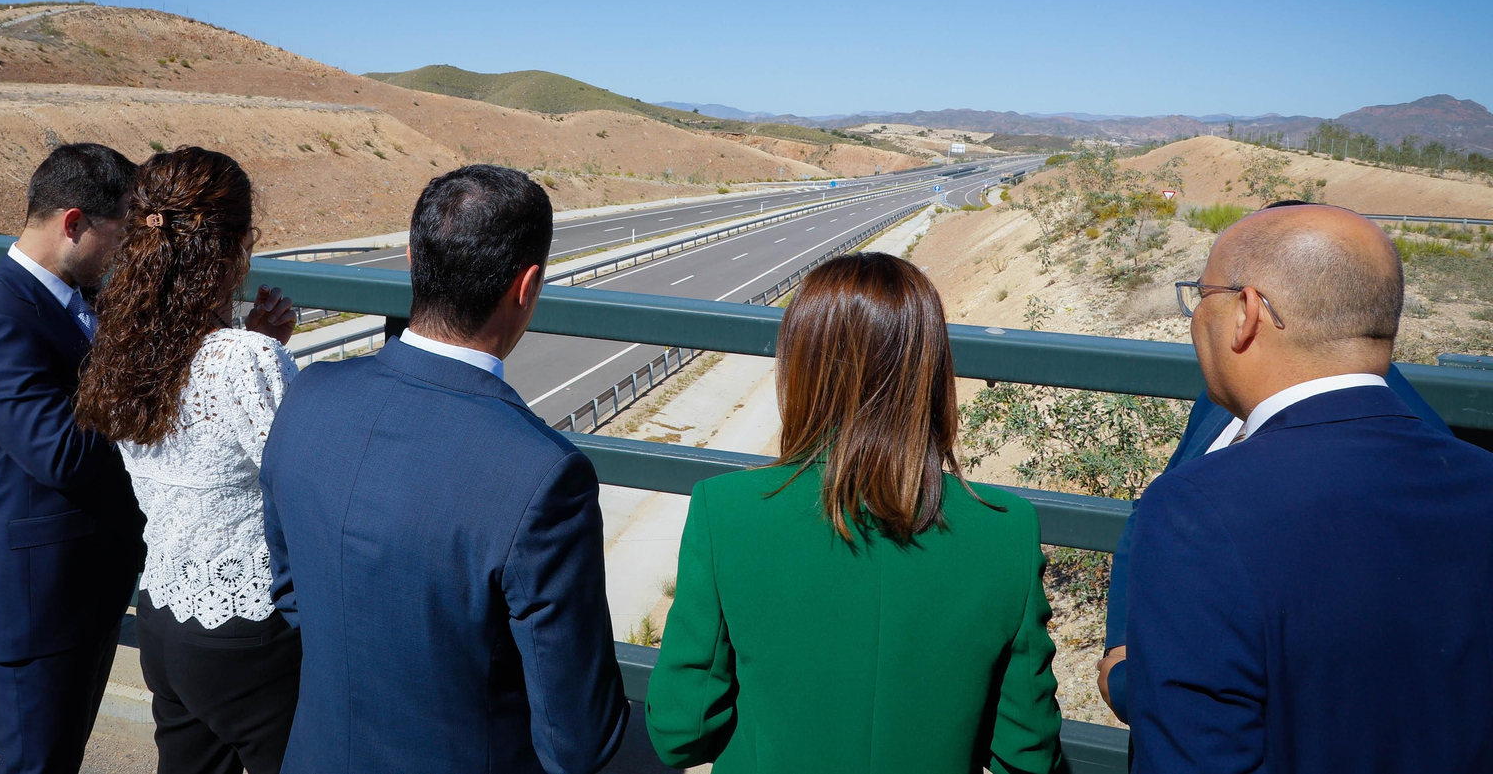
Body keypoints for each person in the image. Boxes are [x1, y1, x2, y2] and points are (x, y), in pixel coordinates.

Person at [260, 164, 628, 774]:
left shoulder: (309, 395)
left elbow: (290, 590)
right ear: (526, 286)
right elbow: (577, 737)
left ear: (412, 260)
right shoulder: (544, 475)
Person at [646, 252, 1068, 774]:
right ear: (932, 369)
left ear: (799, 367)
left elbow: (679, 733)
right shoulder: (1007, 529)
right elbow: (1028, 751)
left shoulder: (725, 513)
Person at [1124, 204, 1493, 771]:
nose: (1195, 317)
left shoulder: (1197, 510)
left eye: (1201, 296)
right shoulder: (1479, 478)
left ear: (1247, 312)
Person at [76, 147, 300, 774]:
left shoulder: (123, 346)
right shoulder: (242, 362)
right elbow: (302, 482)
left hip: (164, 616)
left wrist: (248, 338)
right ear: (230, 247)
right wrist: (259, 348)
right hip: (250, 628)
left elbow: (193, 390)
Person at [0, 143, 148, 774]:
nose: (130, 250)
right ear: (75, 224)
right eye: (125, 233)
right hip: (34, 604)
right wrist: (142, 368)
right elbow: (61, 454)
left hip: (83, 586)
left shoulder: (78, 299)